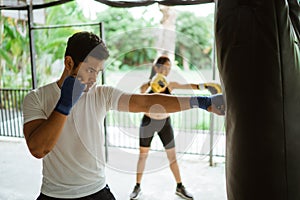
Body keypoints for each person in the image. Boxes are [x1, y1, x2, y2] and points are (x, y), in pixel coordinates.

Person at [22, 31, 225, 200]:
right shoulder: (37, 98)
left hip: (97, 191)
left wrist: (201, 102)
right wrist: (64, 104)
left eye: (98, 72)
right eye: (90, 70)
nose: (94, 78)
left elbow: (146, 102)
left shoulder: (101, 94)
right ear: (69, 62)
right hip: (54, 195)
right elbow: (39, 149)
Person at [129, 56, 222, 200]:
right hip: (148, 122)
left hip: (165, 123)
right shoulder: (146, 86)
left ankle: (180, 186)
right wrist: (151, 84)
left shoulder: (170, 85)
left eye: (169, 68)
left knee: (172, 157)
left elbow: (188, 86)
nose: (167, 70)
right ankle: (137, 186)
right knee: (143, 155)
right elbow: (140, 94)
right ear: (157, 68)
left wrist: (205, 86)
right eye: (165, 67)